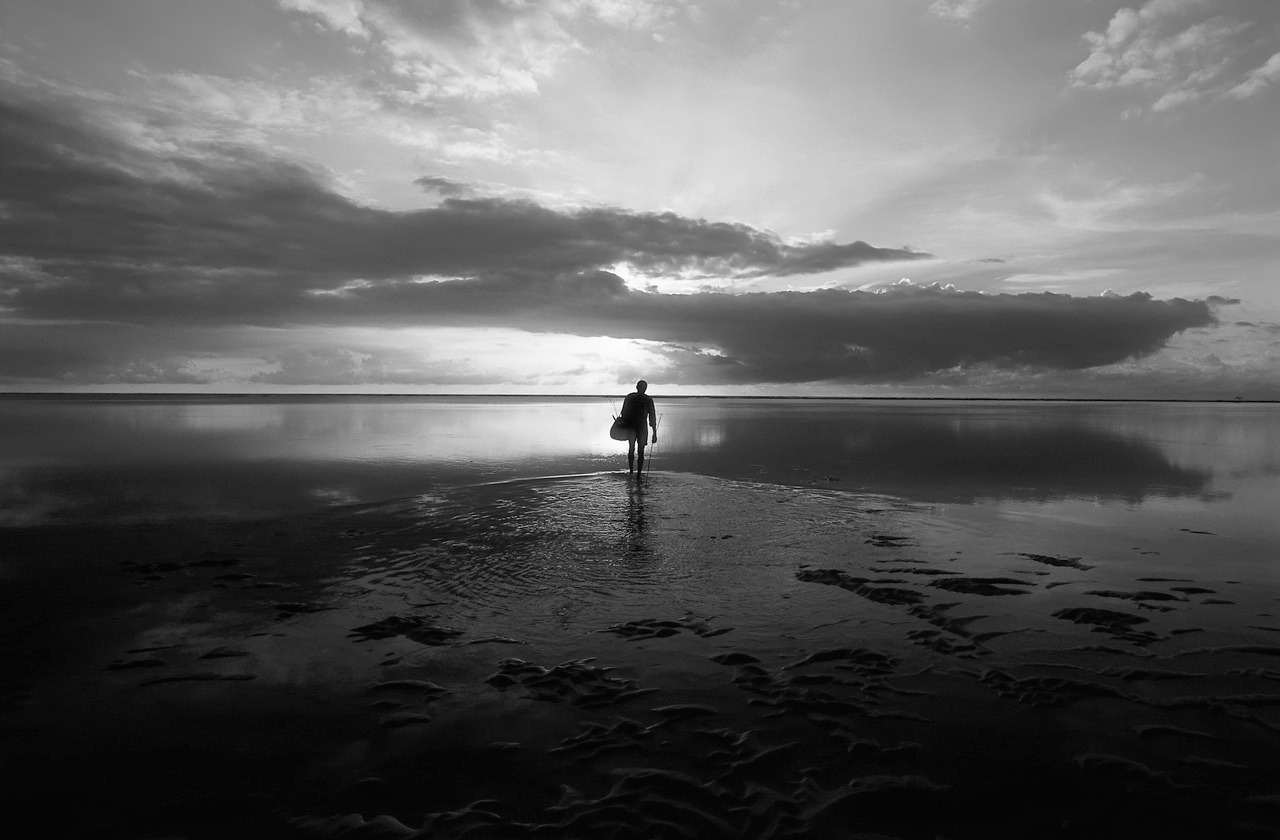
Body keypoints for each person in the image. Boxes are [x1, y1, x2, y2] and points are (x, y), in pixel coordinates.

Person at [620, 379, 658, 474]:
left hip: (631, 427)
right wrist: (654, 433)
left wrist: (623, 426)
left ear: (636, 387)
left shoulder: (629, 397)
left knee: (631, 448)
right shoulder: (648, 400)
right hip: (641, 427)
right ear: (645, 388)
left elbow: (623, 413)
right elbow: (652, 418)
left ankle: (632, 472)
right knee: (640, 452)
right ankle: (638, 474)